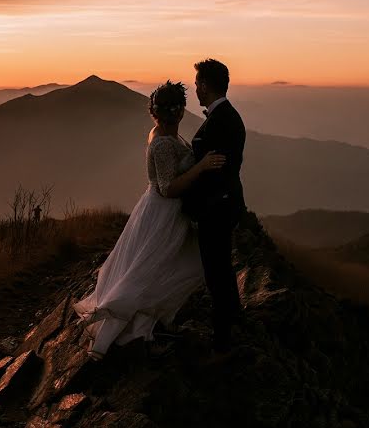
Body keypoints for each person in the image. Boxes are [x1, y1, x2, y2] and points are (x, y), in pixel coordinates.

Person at [73, 80, 226, 359]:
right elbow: (169, 188)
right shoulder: (165, 143)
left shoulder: (161, 134)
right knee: (153, 269)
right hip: (164, 214)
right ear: (177, 112)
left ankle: (149, 323)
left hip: (155, 210)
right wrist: (201, 167)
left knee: (151, 267)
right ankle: (139, 331)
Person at [182, 58, 247, 352]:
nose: (195, 89)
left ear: (206, 86)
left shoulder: (222, 122)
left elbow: (215, 173)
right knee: (221, 267)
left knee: (216, 272)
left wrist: (197, 204)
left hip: (216, 207)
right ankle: (234, 320)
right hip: (223, 205)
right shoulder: (225, 117)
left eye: (197, 84)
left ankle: (223, 340)